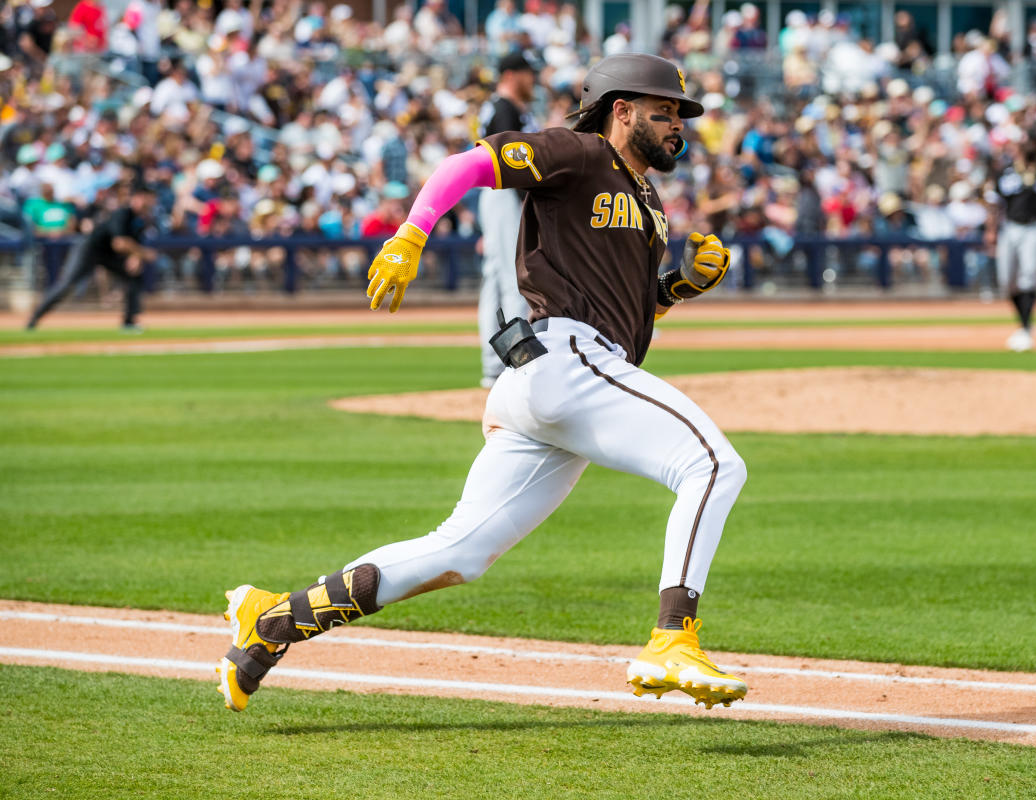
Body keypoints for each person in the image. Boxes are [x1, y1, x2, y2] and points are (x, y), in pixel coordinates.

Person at [216, 53, 749, 714]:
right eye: (664, 110)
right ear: (622, 111)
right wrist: (412, 232)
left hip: (561, 376)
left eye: (680, 114)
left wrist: (678, 288)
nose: (678, 125)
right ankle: (673, 635)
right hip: (563, 359)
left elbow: (626, 313)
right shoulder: (579, 153)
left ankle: (276, 621)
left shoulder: (649, 201)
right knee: (714, 464)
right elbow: (466, 165)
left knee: (460, 552)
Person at [476, 51, 537, 388]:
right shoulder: (504, 108)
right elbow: (509, 164)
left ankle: (493, 366)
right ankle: (513, 363)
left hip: (497, 195)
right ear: (512, 74)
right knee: (515, 278)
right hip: (503, 193)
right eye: (529, 73)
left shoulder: (504, 107)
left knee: (496, 278)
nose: (533, 80)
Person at [26, 181, 157, 331]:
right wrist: (143, 254)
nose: (152, 202)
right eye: (149, 198)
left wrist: (136, 257)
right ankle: (34, 318)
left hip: (108, 255)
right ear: (139, 197)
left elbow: (132, 244)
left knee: (133, 277)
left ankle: (129, 322)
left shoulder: (140, 220)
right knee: (66, 285)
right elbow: (119, 243)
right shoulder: (123, 213)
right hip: (89, 249)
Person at [990, 136, 1036, 352]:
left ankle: (1025, 327)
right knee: (1007, 280)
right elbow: (995, 204)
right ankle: (1024, 325)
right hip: (1010, 227)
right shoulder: (1007, 172)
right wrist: (991, 230)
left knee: (1029, 276)